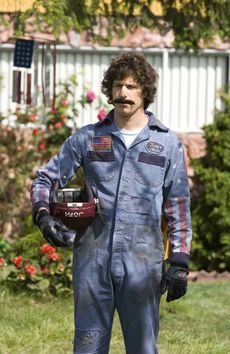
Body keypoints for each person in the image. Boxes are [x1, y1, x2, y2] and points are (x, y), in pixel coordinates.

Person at [30, 52, 192, 354]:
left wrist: (180, 262)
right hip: (93, 261)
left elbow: (178, 205)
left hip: (143, 264)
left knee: (143, 348)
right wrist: (42, 214)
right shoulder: (88, 139)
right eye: (118, 86)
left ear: (145, 92)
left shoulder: (167, 144)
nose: (123, 93)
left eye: (132, 86)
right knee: (88, 347)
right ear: (110, 90)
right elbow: (45, 179)